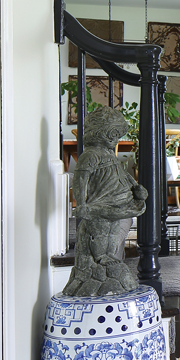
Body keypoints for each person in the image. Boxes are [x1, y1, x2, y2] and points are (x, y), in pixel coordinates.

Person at [63, 105, 148, 296]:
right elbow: (81, 178)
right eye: (113, 136)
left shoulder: (109, 155)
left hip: (116, 204)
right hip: (99, 205)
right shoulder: (90, 155)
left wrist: (136, 189)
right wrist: (81, 203)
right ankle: (100, 257)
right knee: (100, 231)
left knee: (112, 232)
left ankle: (108, 256)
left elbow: (123, 176)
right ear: (103, 134)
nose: (116, 141)